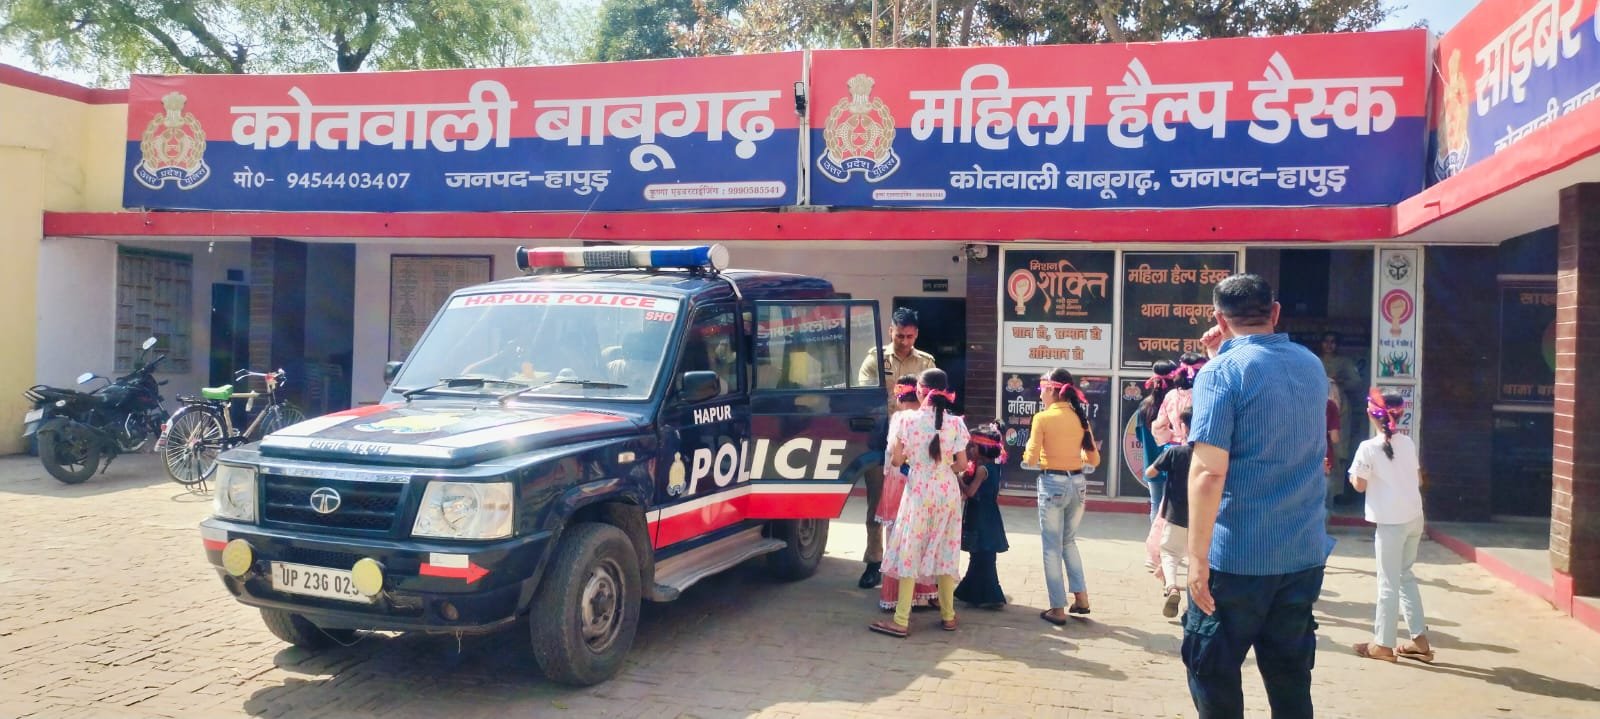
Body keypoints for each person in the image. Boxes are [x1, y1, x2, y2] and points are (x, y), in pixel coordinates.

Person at [1185, 274, 1333, 719]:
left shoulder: (1220, 374)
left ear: (1219, 318)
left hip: (1237, 558)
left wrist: (1195, 558)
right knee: (1290, 677)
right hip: (1302, 551)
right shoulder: (1311, 365)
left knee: (1211, 668)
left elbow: (1209, 472)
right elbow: (1267, 406)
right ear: (1275, 312)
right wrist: (1220, 355)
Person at [868, 368, 968, 638]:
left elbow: (897, 460)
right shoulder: (957, 423)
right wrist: (943, 464)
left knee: (910, 551)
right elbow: (961, 464)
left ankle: (901, 619)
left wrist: (915, 459)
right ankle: (948, 615)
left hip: (919, 490)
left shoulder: (905, 420)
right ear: (946, 392)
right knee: (946, 551)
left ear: (920, 391)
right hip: (947, 491)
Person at [855, 307, 938, 590]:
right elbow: (867, 395)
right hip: (881, 441)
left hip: (915, 447)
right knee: (878, 504)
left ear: (917, 334)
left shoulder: (926, 362)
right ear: (891, 331)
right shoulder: (875, 358)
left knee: (915, 508)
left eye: (910, 336)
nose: (904, 341)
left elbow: (932, 403)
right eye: (900, 335)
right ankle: (873, 562)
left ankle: (911, 568)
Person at [1349, 390, 1433, 664]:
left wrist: (1353, 476)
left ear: (1371, 414)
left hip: (1391, 523)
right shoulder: (1407, 443)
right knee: (1405, 576)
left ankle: (1383, 644)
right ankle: (1419, 640)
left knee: (1388, 582)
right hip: (1413, 518)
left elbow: (1359, 485)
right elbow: (1418, 480)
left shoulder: (1367, 448)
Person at [1025, 367, 1101, 626]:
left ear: (1052, 389)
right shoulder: (1080, 418)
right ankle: (1081, 597)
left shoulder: (1042, 418)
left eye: (1042, 390)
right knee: (1069, 541)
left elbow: (1031, 457)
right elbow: (1094, 458)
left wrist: (1031, 460)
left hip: (1052, 484)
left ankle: (1057, 608)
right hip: (1078, 483)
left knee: (1051, 548)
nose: (1040, 395)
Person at [877, 377, 938, 613]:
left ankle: (898, 599)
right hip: (928, 483)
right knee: (926, 538)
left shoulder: (901, 419)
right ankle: (927, 593)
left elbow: (893, 453)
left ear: (900, 397)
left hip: (900, 482)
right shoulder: (933, 418)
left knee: (898, 539)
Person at [954, 422, 1009, 610]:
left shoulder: (981, 470)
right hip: (990, 515)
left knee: (980, 555)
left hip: (980, 516)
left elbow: (970, 493)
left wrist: (958, 479)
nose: (969, 450)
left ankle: (989, 595)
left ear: (982, 449)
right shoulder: (995, 467)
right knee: (983, 556)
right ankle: (973, 593)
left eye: (972, 446)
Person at [1146, 408, 1194, 619]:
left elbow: (1150, 472)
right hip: (1204, 518)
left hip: (1176, 514)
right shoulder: (1212, 454)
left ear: (1183, 427)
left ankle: (1172, 587)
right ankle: (1194, 603)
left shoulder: (1176, 452)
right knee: (1198, 559)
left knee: (1170, 553)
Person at [1136, 360, 1180, 522]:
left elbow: (1140, 436)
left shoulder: (1144, 406)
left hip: (1152, 463)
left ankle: (1155, 542)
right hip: (1174, 463)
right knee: (1174, 505)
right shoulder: (1176, 403)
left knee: (1155, 503)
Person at [1153, 352, 1206, 446]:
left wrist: (1175, 436)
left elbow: (1159, 426)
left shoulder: (1171, 395)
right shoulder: (1205, 394)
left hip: (1177, 448)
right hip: (1201, 447)